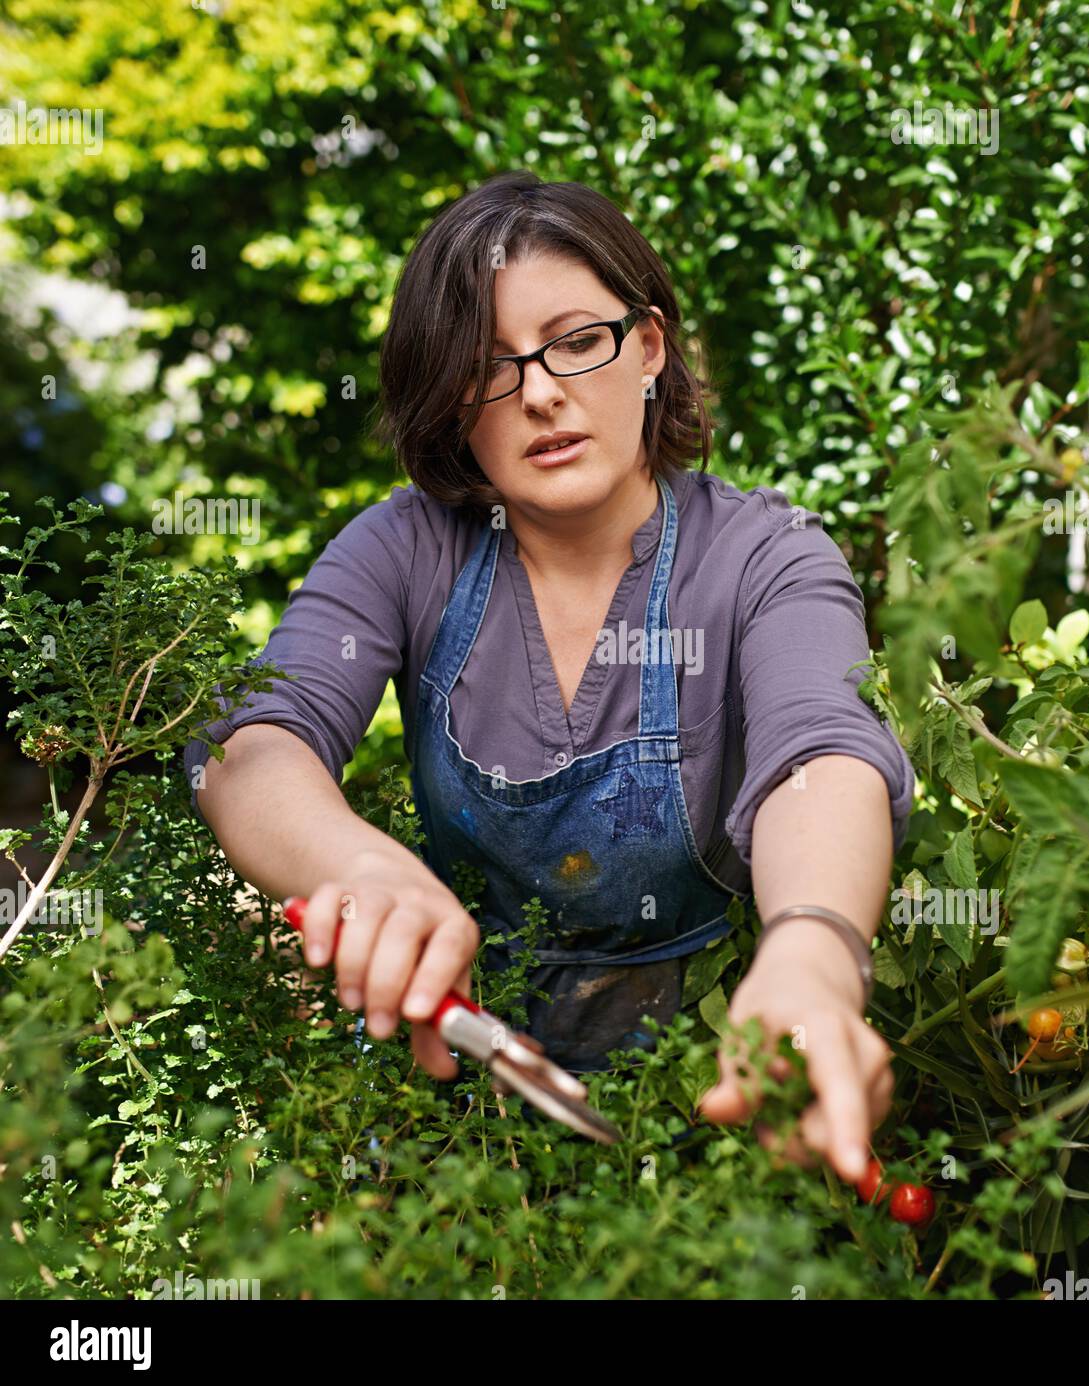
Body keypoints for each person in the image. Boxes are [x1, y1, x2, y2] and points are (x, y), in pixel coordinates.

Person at [185, 170, 914, 1186]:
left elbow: (820, 752)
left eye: (577, 340)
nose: (539, 390)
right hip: (453, 1107)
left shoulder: (763, 555)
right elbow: (248, 740)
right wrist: (356, 866)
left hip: (706, 1104)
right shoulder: (404, 550)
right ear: (450, 400)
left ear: (648, 348)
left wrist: (813, 952)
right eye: (486, 366)